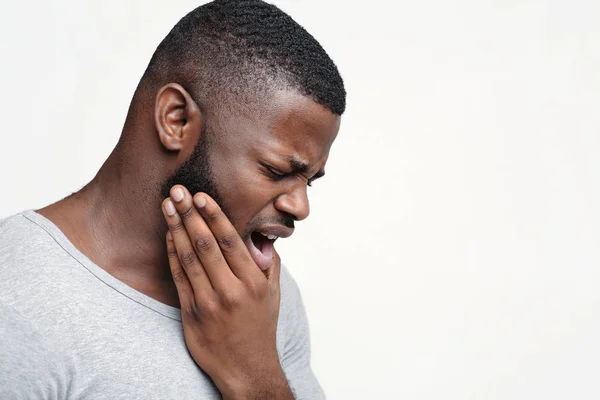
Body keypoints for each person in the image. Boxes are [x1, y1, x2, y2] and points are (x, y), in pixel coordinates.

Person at [0, 0, 345, 399]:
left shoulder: (259, 297)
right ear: (176, 119)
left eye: (310, 181)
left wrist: (254, 372)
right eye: (276, 170)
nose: (300, 207)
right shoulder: (17, 303)